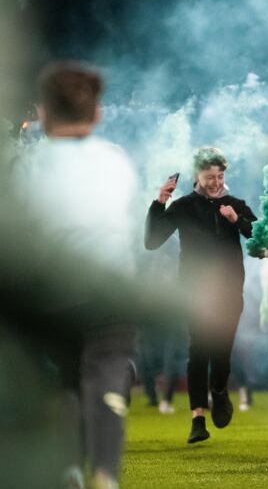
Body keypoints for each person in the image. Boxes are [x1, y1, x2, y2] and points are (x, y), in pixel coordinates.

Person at [13, 61, 139, 488]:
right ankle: (105, 472)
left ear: (43, 112)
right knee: (107, 382)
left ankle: (68, 468)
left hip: (55, 292)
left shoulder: (29, 166)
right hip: (112, 291)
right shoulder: (117, 161)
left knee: (62, 383)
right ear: (97, 113)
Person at [145, 146, 257, 444]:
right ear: (197, 175)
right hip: (195, 289)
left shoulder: (235, 204)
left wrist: (237, 221)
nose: (217, 182)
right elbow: (152, 241)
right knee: (198, 350)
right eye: (210, 177)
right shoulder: (183, 206)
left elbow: (259, 239)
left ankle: (219, 390)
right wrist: (160, 201)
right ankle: (198, 418)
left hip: (230, 289)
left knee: (221, 350)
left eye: (220, 176)